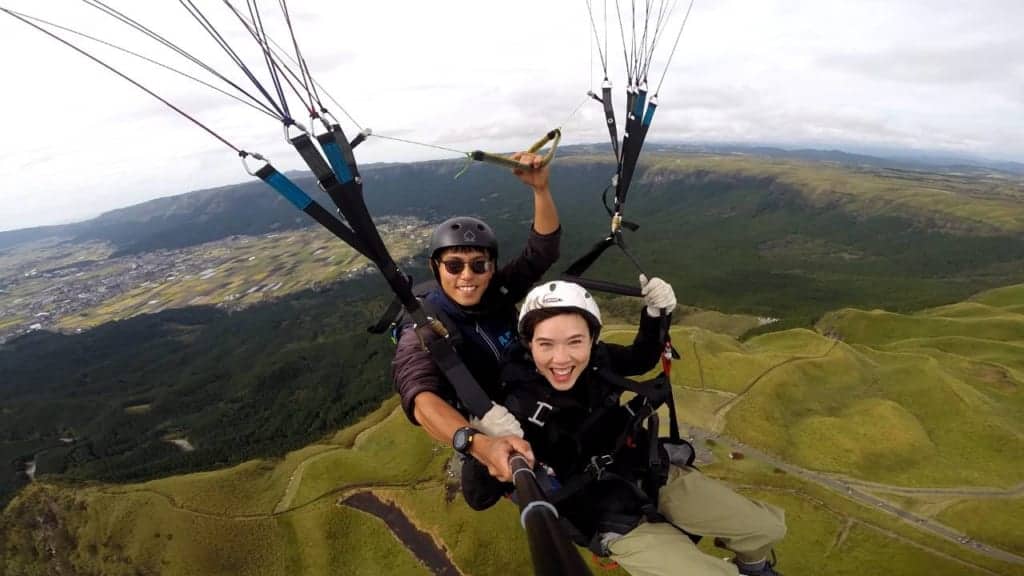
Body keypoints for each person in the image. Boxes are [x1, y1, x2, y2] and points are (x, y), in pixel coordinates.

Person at [463, 279, 788, 576]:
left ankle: (755, 568)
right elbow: (478, 496)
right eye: (546, 344)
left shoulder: (598, 362)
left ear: (592, 340)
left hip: (649, 473)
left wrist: (655, 315)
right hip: (604, 515)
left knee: (767, 528)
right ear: (529, 344)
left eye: (575, 341)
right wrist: (481, 439)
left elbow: (641, 357)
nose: (561, 359)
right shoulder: (516, 405)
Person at [392, 151, 559, 482]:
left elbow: (542, 252)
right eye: (454, 266)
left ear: (491, 267)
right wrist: (478, 444)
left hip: (528, 386)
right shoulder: (426, 325)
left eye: (479, 265)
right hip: (488, 418)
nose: (467, 275)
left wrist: (541, 190)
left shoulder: (496, 290)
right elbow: (419, 394)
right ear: (435, 268)